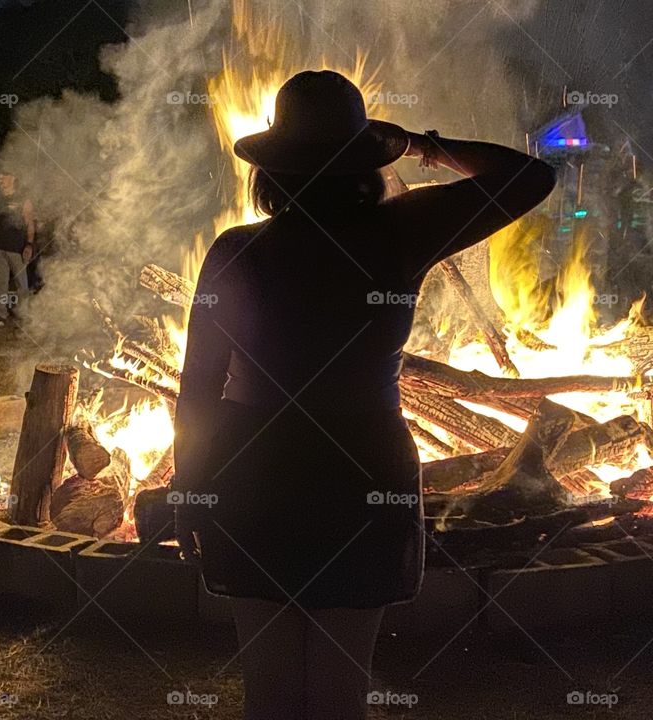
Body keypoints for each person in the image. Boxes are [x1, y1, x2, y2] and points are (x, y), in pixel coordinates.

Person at [173, 71, 557, 720]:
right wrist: (419, 145)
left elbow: (198, 388)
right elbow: (529, 177)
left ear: (272, 167)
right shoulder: (401, 231)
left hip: (254, 467)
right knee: (339, 691)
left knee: (270, 694)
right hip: (361, 466)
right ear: (363, 161)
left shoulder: (237, 250)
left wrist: (191, 490)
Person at [0, 171, 34, 327]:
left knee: (21, 283)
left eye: (3, 177)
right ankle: (0, 314)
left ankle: (23, 314)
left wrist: (29, 244)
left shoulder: (23, 200)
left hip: (17, 248)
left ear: (13, 178)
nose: (0, 180)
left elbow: (29, 223)